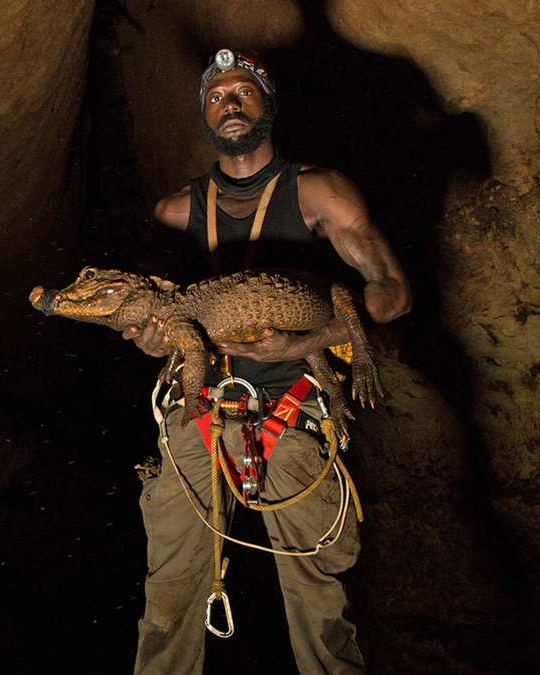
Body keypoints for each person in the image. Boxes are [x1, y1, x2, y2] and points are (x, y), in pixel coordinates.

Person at [123, 48, 412, 674]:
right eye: (216, 95)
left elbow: (392, 294)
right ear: (203, 114)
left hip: (291, 403)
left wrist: (308, 341)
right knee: (169, 586)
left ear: (268, 104)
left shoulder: (318, 192)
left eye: (243, 91)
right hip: (198, 405)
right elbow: (164, 311)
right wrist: (155, 339)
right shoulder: (176, 210)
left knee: (318, 595)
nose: (230, 103)